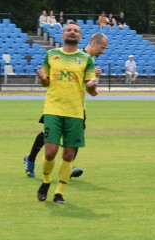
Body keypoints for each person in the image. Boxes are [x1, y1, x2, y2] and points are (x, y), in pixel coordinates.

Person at [23, 31, 108, 180]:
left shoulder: (90, 61)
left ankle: (68, 167)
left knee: (75, 136)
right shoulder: (76, 57)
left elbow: (82, 86)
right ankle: (30, 159)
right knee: (47, 135)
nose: (103, 51)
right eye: (102, 47)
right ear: (93, 43)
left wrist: (93, 89)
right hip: (59, 103)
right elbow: (65, 77)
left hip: (77, 106)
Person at [34, 21, 99, 204]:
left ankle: (59, 193)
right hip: (53, 109)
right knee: (50, 152)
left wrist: (92, 88)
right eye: (68, 30)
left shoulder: (86, 60)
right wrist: (42, 79)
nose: (72, 33)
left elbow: (90, 88)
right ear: (62, 35)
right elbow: (46, 83)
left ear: (80, 37)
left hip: (75, 111)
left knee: (69, 155)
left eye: (75, 31)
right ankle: (46, 181)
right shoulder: (51, 55)